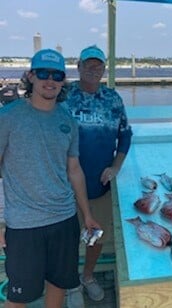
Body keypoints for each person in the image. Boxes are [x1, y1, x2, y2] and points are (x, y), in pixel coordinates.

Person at [0, 49, 100, 308]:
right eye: (43, 73)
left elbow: (74, 169)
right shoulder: (8, 117)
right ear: (31, 76)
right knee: (19, 296)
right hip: (23, 225)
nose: (50, 80)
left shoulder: (67, 120)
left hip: (65, 220)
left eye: (57, 75)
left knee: (59, 285)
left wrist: (86, 214)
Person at [65, 45, 132, 307]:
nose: (93, 70)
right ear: (78, 66)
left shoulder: (113, 99)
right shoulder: (63, 95)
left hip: (100, 185)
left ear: (104, 69)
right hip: (65, 185)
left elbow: (125, 135)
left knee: (97, 236)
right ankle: (69, 282)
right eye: (88, 65)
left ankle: (88, 276)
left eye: (98, 65)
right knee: (67, 238)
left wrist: (116, 167)